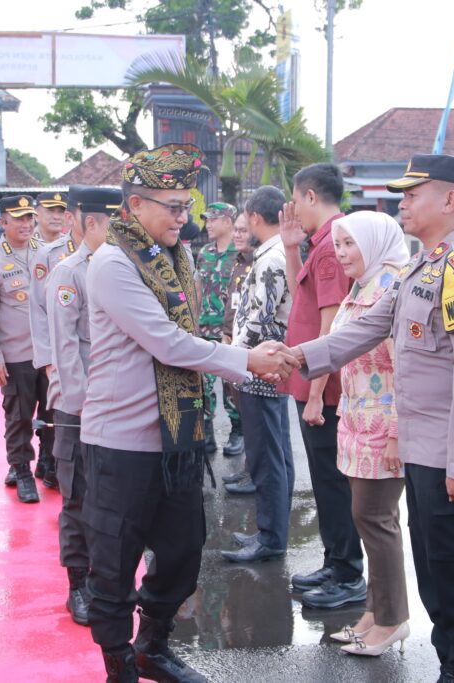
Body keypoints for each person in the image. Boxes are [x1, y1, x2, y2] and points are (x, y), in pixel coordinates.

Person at [78, 143, 298, 683]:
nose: (185, 218)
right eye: (173, 206)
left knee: (182, 553)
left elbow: (189, 336)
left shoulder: (175, 257)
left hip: (177, 436)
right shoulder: (112, 262)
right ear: (133, 206)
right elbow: (168, 343)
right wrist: (244, 360)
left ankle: (153, 645)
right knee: (112, 566)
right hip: (122, 441)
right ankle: (119, 663)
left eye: (188, 206)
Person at [289, 155, 454, 682]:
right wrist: (294, 358)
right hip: (422, 453)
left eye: (413, 194)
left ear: (450, 200)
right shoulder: (420, 266)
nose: (401, 203)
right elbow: (360, 334)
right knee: (435, 577)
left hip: (448, 457)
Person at [320, 211, 412, 657]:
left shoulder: (395, 286)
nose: (341, 254)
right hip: (358, 420)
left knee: (375, 520)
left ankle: (393, 619)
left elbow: (406, 368)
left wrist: (397, 432)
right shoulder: (365, 284)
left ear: (374, 243)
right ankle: (375, 613)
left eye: (349, 244)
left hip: (384, 424)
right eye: (338, 245)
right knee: (368, 520)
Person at [278, 162, 365, 610]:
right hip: (314, 380)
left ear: (310, 196)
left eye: (296, 199)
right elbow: (305, 297)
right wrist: (292, 248)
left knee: (332, 481)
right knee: (325, 478)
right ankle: (336, 561)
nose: (293, 209)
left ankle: (348, 572)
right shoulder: (321, 243)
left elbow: (332, 321)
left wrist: (315, 393)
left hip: (323, 388)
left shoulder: (332, 243)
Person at [45, 184, 122, 627]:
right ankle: (79, 585)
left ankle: (107, 576)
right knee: (77, 499)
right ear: (90, 222)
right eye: (113, 223)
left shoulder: (121, 267)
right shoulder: (69, 274)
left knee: (111, 497)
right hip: (80, 410)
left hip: (117, 404)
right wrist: (80, 408)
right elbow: (66, 350)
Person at [220, 185, 294, 563]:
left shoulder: (270, 259)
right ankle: (271, 532)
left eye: (243, 218)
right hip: (265, 366)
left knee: (268, 459)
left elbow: (259, 320)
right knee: (274, 455)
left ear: (254, 217)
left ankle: (270, 538)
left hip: (259, 369)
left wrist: (233, 361)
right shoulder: (272, 254)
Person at [0, 195, 47, 504]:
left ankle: (48, 463)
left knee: (53, 412)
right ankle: (22, 471)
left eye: (30, 217)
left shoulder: (46, 254)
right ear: (3, 222)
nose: (26, 224)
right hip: (15, 356)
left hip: (48, 352)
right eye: (18, 218)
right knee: (18, 417)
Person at [26, 192, 76, 489]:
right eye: (50, 210)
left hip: (62, 345)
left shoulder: (74, 247)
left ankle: (50, 459)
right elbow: (37, 306)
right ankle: (34, 458)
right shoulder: (33, 248)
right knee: (32, 407)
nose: (56, 216)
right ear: (37, 213)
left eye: (61, 211)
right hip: (32, 342)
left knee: (53, 406)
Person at [196, 202, 244, 457]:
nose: (208, 224)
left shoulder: (242, 253)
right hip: (204, 329)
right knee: (203, 384)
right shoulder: (204, 252)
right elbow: (197, 287)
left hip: (230, 332)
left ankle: (238, 431)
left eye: (213, 219)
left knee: (230, 385)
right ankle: (206, 432)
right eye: (207, 220)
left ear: (228, 221)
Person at [219, 212, 256, 492]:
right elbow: (232, 303)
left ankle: (254, 474)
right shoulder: (238, 262)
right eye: (237, 231)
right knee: (242, 409)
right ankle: (248, 469)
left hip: (250, 349)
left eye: (244, 230)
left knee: (254, 419)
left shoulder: (259, 262)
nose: (239, 235)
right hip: (232, 342)